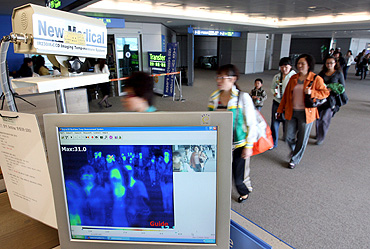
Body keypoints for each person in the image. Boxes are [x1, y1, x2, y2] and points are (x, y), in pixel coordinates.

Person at [208, 64, 257, 203]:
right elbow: (209, 119)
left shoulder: (242, 97)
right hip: (221, 143)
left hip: (239, 144)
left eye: (223, 77)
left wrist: (249, 145)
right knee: (221, 172)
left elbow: (251, 123)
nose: (219, 80)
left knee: (237, 175)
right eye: (218, 77)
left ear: (233, 79)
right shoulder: (214, 97)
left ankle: (244, 192)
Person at [277, 54, 330, 169]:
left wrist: (312, 93)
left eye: (302, 63)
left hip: (307, 114)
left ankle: (294, 159)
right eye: (298, 63)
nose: (299, 66)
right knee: (288, 136)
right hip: (292, 111)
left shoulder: (316, 79)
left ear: (309, 65)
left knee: (302, 138)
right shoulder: (294, 78)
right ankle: (295, 150)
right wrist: (280, 110)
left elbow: (325, 93)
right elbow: (286, 96)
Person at [316, 56, 345, 145]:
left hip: (331, 100)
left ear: (335, 63)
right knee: (318, 117)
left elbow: (342, 87)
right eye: (328, 63)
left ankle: (321, 137)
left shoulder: (338, 74)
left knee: (325, 118)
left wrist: (332, 89)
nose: (329, 65)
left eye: (331, 63)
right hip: (321, 98)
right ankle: (318, 133)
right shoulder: (322, 73)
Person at [270, 57, 296, 148]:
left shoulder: (294, 77)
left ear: (290, 66)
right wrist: (274, 94)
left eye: (286, 66)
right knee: (274, 122)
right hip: (277, 102)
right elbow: (272, 88)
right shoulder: (277, 76)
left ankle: (287, 137)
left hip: (288, 104)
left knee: (287, 122)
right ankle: (273, 142)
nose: (283, 69)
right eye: (281, 67)